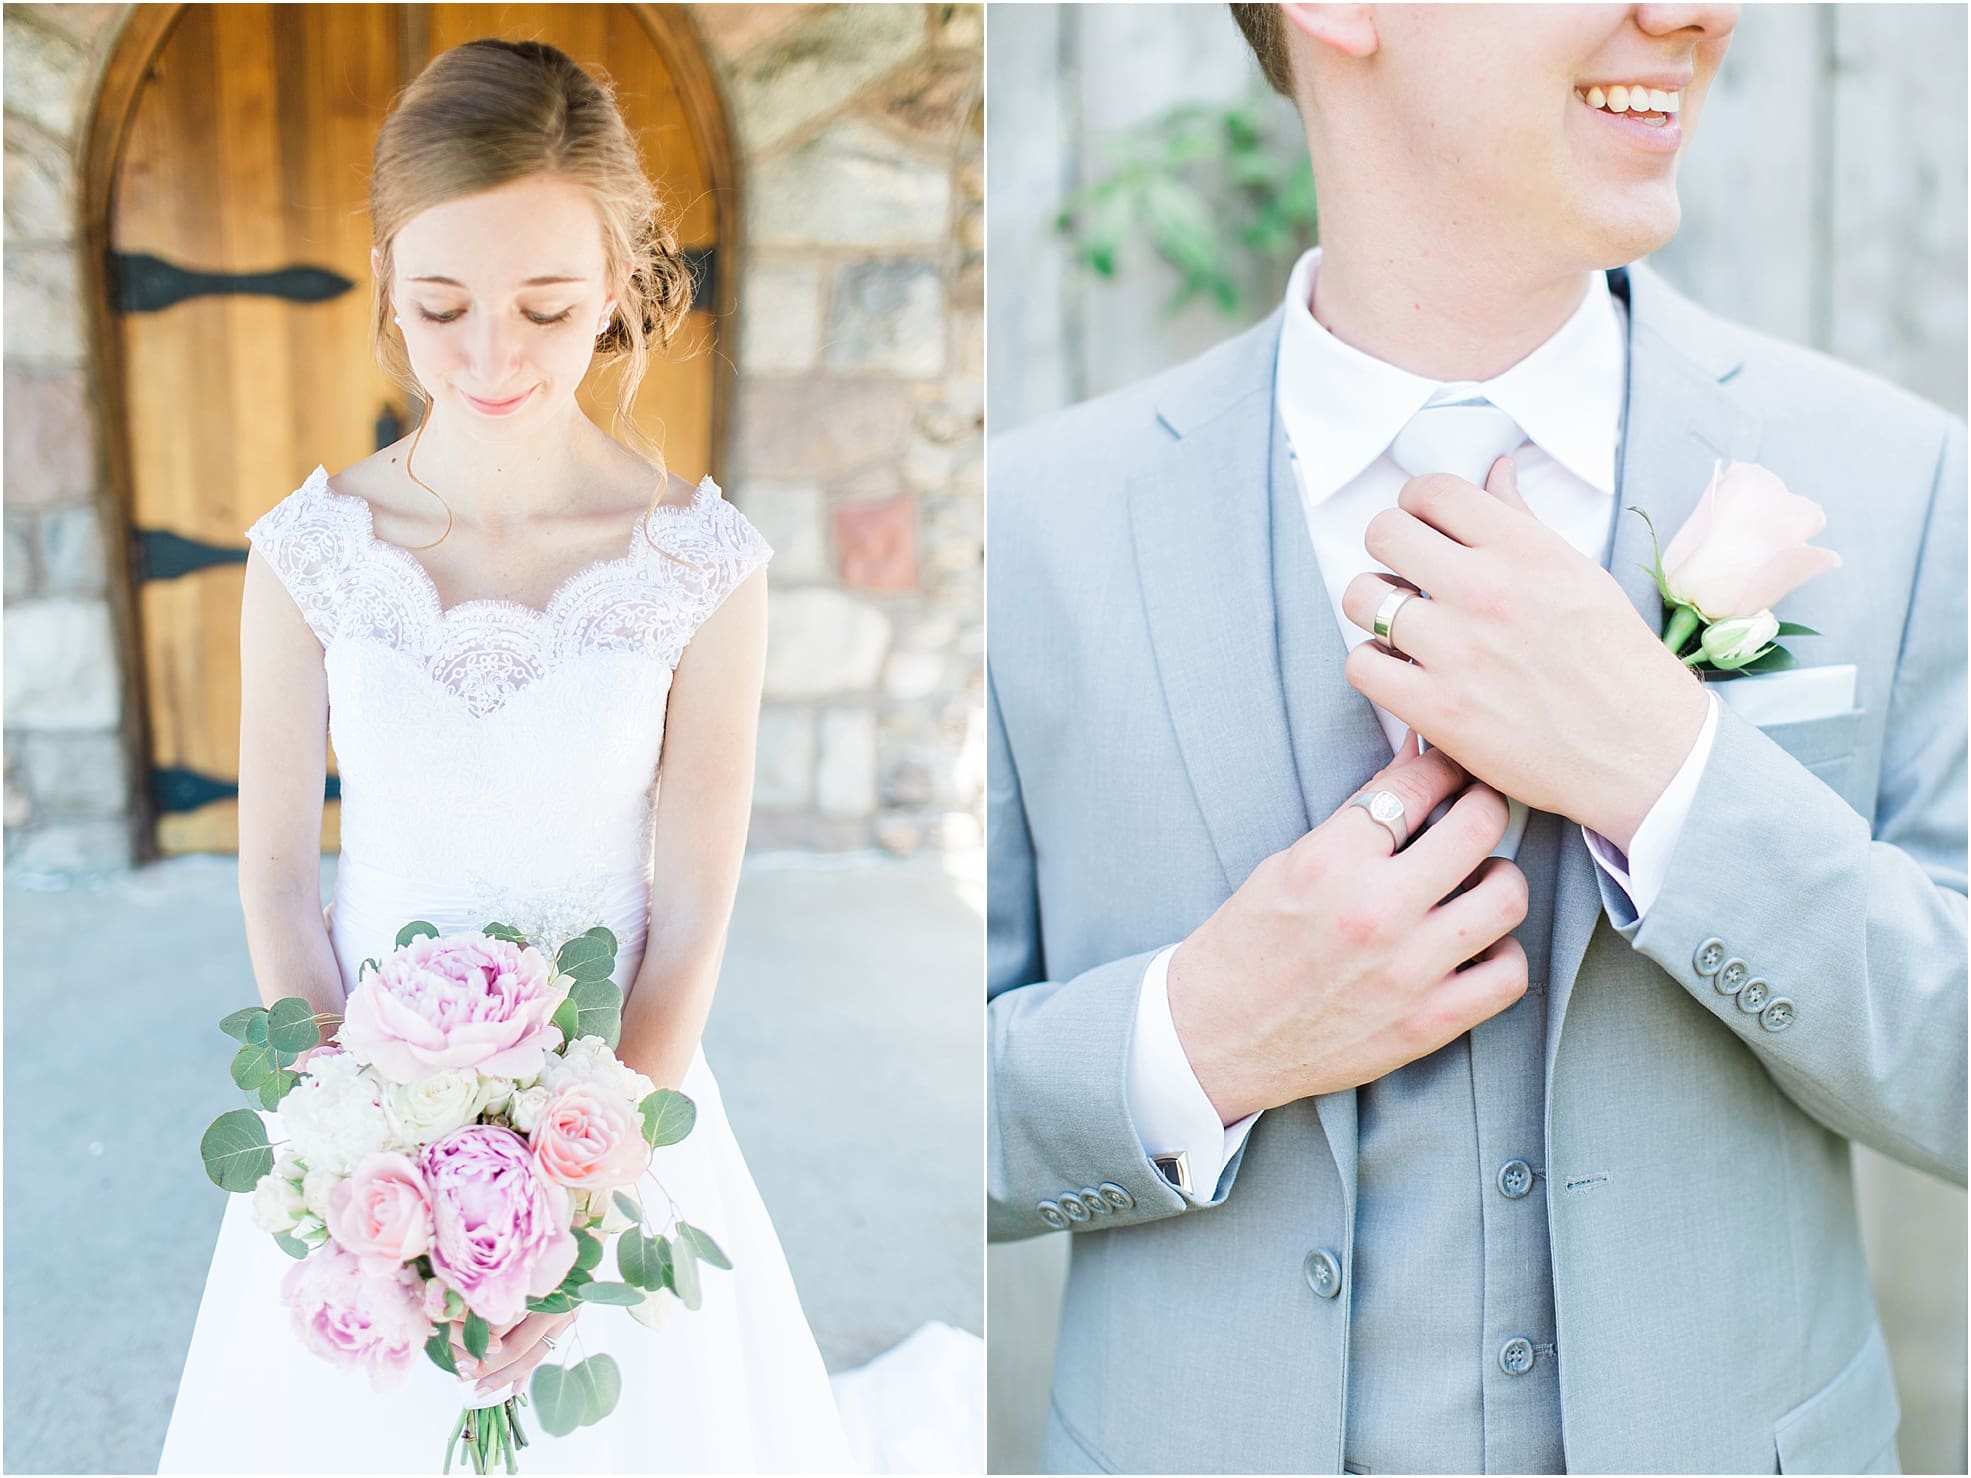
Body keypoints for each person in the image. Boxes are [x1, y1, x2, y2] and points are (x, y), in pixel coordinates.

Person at [986, 4, 1966, 1474]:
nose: (1700, 11)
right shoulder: (1031, 531)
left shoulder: (1897, 480)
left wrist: (1671, 778)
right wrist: (1192, 1040)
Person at [162, 39, 976, 1474]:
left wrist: (568, 1204)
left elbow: (694, 911)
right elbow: (283, 888)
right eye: (442, 305)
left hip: (617, 1123)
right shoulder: (307, 557)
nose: (490, 358)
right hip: (364, 1135)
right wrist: (367, 1165)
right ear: (386, 281)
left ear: (618, 283)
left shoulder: (701, 568)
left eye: (544, 306)